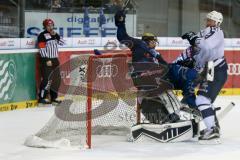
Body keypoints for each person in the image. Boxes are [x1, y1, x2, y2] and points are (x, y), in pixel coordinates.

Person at [182, 10, 228, 142]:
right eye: (207, 20)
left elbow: (206, 47)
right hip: (209, 70)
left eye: (211, 20)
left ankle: (212, 129)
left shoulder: (216, 31)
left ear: (217, 22)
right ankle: (214, 126)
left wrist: (194, 39)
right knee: (205, 100)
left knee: (202, 100)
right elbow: (200, 51)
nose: (208, 22)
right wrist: (193, 62)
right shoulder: (205, 32)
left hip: (216, 70)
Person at [37, 18, 62, 105]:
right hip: (47, 60)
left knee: (57, 80)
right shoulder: (42, 35)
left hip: (55, 59)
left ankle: (54, 98)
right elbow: (42, 48)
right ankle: (41, 98)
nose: (50, 27)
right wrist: (46, 59)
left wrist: (56, 35)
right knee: (46, 80)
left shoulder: (54, 34)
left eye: (51, 25)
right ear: (45, 26)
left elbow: (62, 43)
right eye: (48, 25)